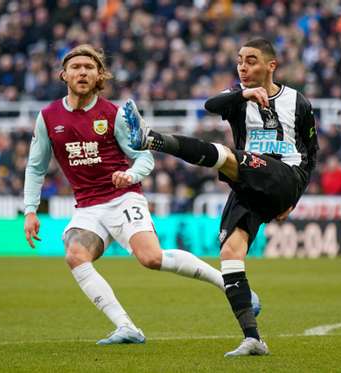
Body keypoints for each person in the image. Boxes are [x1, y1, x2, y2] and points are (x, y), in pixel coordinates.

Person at [23, 44, 260, 345]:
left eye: (89, 67)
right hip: (87, 206)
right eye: (75, 67)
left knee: (151, 258)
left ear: (99, 76)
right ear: (64, 74)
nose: (82, 71)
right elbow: (35, 166)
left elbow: (145, 158)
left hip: (123, 197)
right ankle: (126, 328)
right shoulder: (48, 117)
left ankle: (227, 284)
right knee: (75, 255)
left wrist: (130, 175)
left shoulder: (115, 114)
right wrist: (30, 210)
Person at [125, 38, 318, 356]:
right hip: (248, 182)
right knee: (230, 252)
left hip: (285, 176)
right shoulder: (236, 99)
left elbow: (312, 152)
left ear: (272, 65)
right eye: (240, 60)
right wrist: (242, 94)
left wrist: (295, 196)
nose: (243, 66)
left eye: (252, 60)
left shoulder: (299, 102)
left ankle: (152, 139)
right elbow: (210, 106)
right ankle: (253, 338)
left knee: (228, 156)